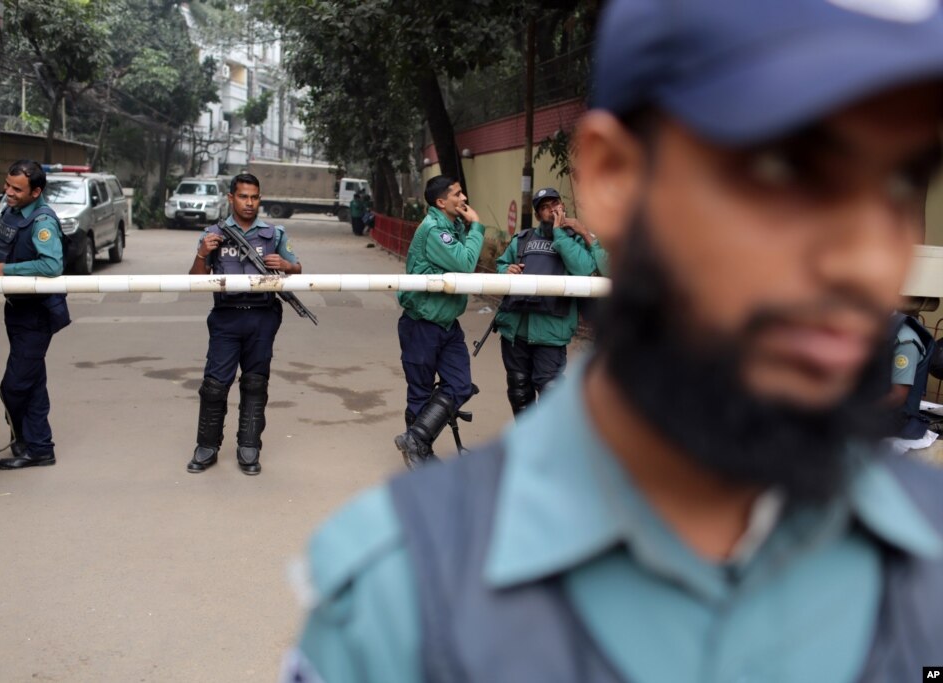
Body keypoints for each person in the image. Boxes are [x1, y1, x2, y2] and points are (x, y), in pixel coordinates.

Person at [285, 0, 943, 679]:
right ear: (612, 177)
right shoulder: (401, 607)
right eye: (787, 170)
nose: (868, 259)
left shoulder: (933, 572)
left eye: (903, 181)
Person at [187, 172, 301, 475]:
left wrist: (287, 266)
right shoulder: (213, 233)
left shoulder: (275, 233)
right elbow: (195, 281)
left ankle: (249, 448)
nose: (249, 203)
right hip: (226, 317)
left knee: (255, 383)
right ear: (231, 198)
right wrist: (202, 254)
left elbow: (298, 268)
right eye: (243, 197)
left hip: (263, 317)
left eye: (254, 197)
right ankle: (207, 446)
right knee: (214, 385)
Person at [0, 160, 68, 470]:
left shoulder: (42, 221)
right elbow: (0, 251)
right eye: (7, 185)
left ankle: (27, 441)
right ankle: (38, 447)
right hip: (16, 310)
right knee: (32, 382)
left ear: (36, 191)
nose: (9, 192)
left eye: (17, 189)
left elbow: (52, 265)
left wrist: (8, 272)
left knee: (14, 386)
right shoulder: (12, 212)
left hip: (37, 314)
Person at [393, 175, 483, 469]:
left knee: (459, 385)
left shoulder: (452, 226)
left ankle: (414, 439)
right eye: (457, 194)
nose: (464, 198)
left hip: (446, 323)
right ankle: (419, 452)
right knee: (420, 389)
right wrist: (477, 226)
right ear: (441, 202)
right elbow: (465, 263)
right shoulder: (434, 230)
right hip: (422, 323)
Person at [494, 187, 607, 415]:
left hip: (551, 331)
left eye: (554, 204)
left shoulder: (576, 239)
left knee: (550, 393)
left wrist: (567, 233)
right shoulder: (522, 239)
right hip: (516, 330)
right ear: (537, 215)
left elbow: (584, 269)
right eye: (544, 207)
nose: (551, 210)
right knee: (519, 393)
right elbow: (500, 266)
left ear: (563, 206)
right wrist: (507, 269)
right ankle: (527, 444)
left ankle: (550, 446)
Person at [885, 312, 936, 444]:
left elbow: (897, 397)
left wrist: (860, 409)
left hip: (895, 416)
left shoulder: (905, 342)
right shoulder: (878, 332)